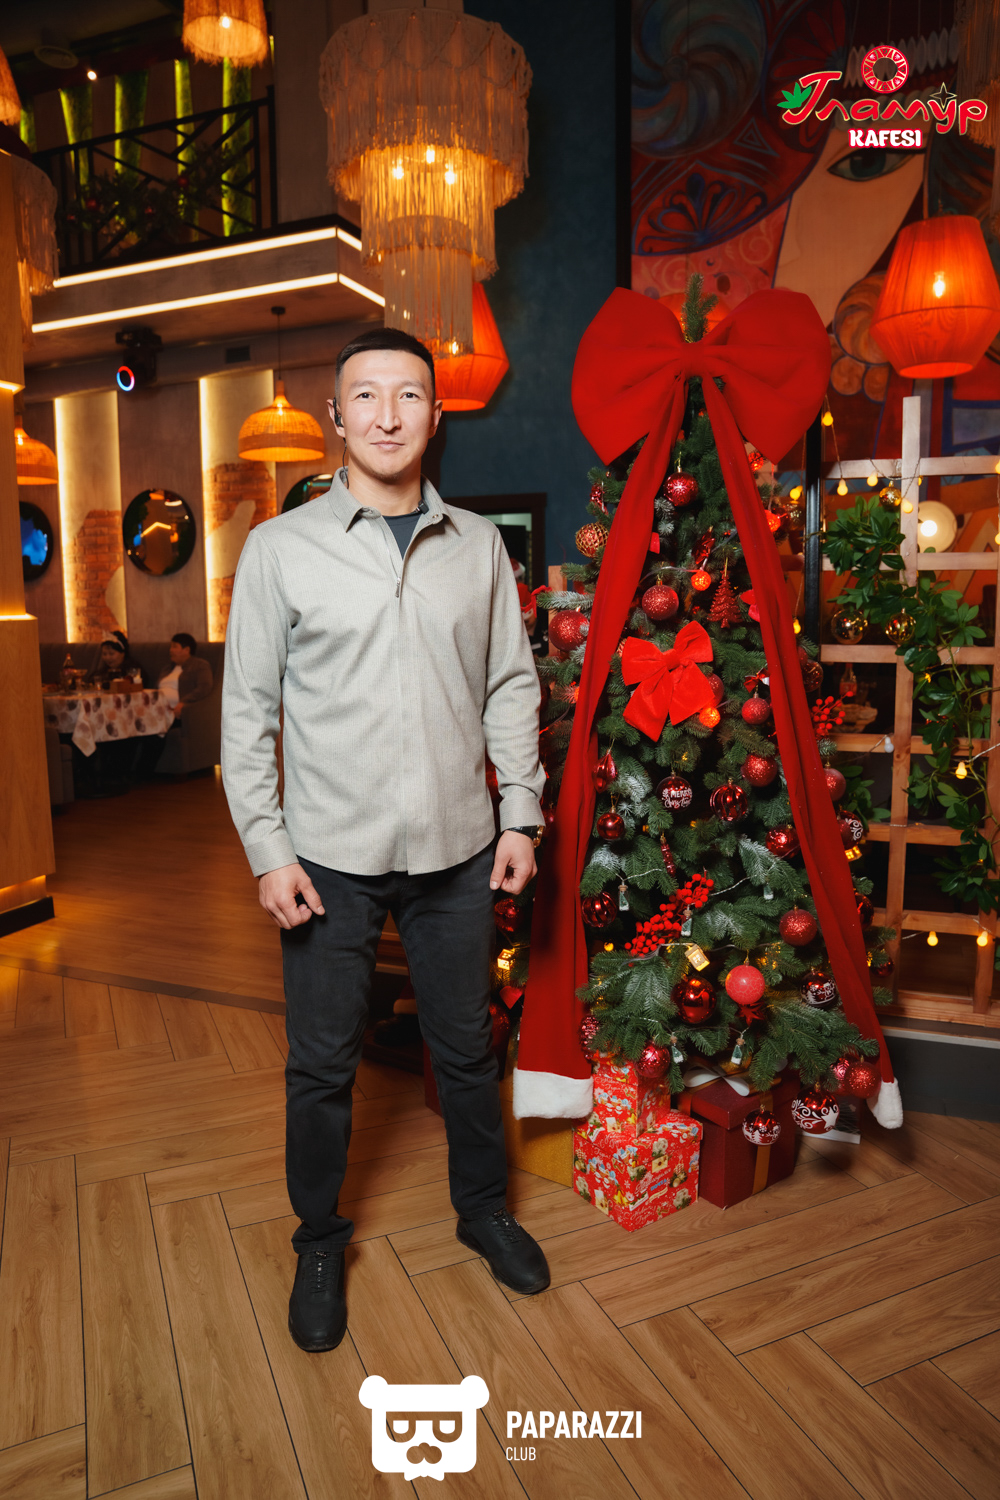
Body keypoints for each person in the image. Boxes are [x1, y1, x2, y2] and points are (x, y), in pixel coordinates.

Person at [222, 326, 549, 1355]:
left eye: (409, 395)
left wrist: (520, 812)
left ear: (435, 415)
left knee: (466, 1050)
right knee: (322, 1068)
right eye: (366, 395)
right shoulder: (281, 549)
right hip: (327, 858)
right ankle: (319, 1240)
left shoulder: (478, 546)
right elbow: (247, 713)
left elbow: (509, 685)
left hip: (458, 849)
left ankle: (483, 1211)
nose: (388, 415)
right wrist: (269, 850)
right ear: (336, 415)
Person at [157, 632, 213, 721]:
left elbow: (204, 687)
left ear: (186, 650)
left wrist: (184, 702)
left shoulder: (200, 665)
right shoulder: (167, 668)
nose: (171, 650)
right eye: (170, 647)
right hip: (156, 708)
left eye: (174, 646)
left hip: (175, 711)